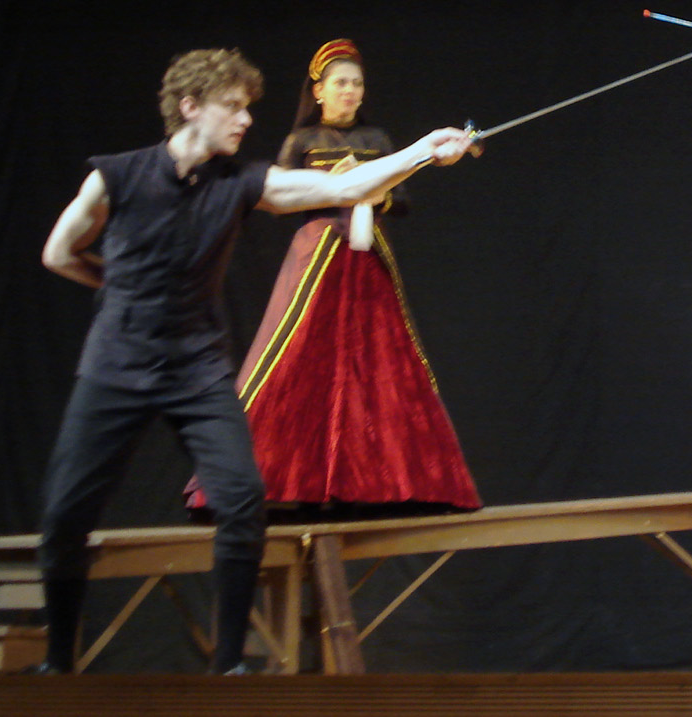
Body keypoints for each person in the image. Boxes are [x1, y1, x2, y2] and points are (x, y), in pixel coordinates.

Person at [35, 48, 472, 674]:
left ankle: (229, 666)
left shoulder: (242, 181)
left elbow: (344, 187)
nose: (246, 120)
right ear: (190, 107)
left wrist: (425, 150)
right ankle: (57, 664)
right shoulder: (117, 176)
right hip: (116, 366)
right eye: (233, 107)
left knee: (241, 501)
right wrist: (123, 292)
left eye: (248, 108)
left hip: (196, 369)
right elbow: (58, 252)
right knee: (65, 511)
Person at [188, 39, 481, 516]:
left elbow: (402, 200)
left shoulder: (377, 139)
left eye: (357, 84)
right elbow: (282, 200)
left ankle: (389, 482)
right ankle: (254, 478)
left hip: (367, 259)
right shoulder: (302, 141)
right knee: (294, 352)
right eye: (340, 83)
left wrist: (378, 195)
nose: (350, 91)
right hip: (317, 258)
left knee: (381, 358)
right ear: (319, 91)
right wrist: (338, 189)